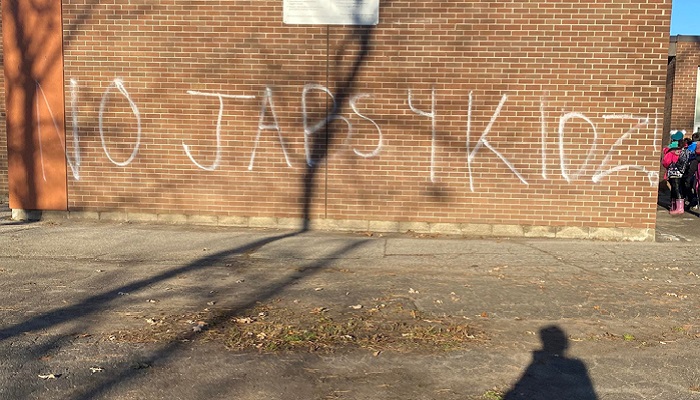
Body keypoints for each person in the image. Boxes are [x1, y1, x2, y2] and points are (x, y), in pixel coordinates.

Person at [662, 138, 689, 215]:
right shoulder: (683, 151)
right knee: (678, 188)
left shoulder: (670, 153)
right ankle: (677, 207)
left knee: (675, 189)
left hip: (673, 172)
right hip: (681, 173)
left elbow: (665, 162)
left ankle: (678, 208)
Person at [684, 132, 700, 210]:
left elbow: (686, 159)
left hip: (694, 175)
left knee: (690, 186)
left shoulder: (690, 148)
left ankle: (693, 201)